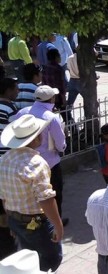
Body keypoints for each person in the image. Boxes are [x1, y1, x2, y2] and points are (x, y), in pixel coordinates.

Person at [0, 115, 63, 272]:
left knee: (30, 254)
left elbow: (4, 194)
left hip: (15, 218)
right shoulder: (37, 163)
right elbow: (46, 199)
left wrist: (10, 219)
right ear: (35, 138)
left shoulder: (5, 159)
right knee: (53, 257)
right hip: (36, 223)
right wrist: (58, 225)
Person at [15, 86, 67, 224]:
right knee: (54, 195)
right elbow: (60, 145)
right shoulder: (52, 118)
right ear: (52, 99)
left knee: (32, 196)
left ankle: (37, 222)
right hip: (50, 164)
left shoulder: (22, 113)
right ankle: (56, 223)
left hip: (26, 163)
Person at [0, 78, 19, 156]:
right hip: (7, 150)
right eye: (16, 89)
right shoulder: (10, 107)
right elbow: (16, 130)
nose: (18, 92)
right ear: (8, 91)